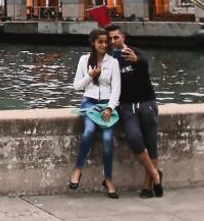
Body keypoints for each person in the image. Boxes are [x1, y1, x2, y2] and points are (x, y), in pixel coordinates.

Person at [106, 23, 164, 198]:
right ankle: (155, 174)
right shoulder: (109, 59)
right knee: (135, 139)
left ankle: (147, 185)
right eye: (110, 39)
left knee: (151, 144)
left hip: (146, 103)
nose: (113, 41)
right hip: (126, 107)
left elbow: (145, 65)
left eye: (116, 37)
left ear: (123, 37)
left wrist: (136, 60)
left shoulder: (135, 52)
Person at [69, 27, 121, 198]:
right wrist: (90, 76)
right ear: (93, 43)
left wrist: (110, 107)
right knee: (89, 132)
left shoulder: (113, 62)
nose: (104, 45)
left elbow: (116, 89)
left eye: (106, 42)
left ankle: (108, 178)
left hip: (107, 105)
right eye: (100, 42)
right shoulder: (84, 60)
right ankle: (78, 169)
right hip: (89, 103)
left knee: (107, 139)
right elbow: (77, 86)